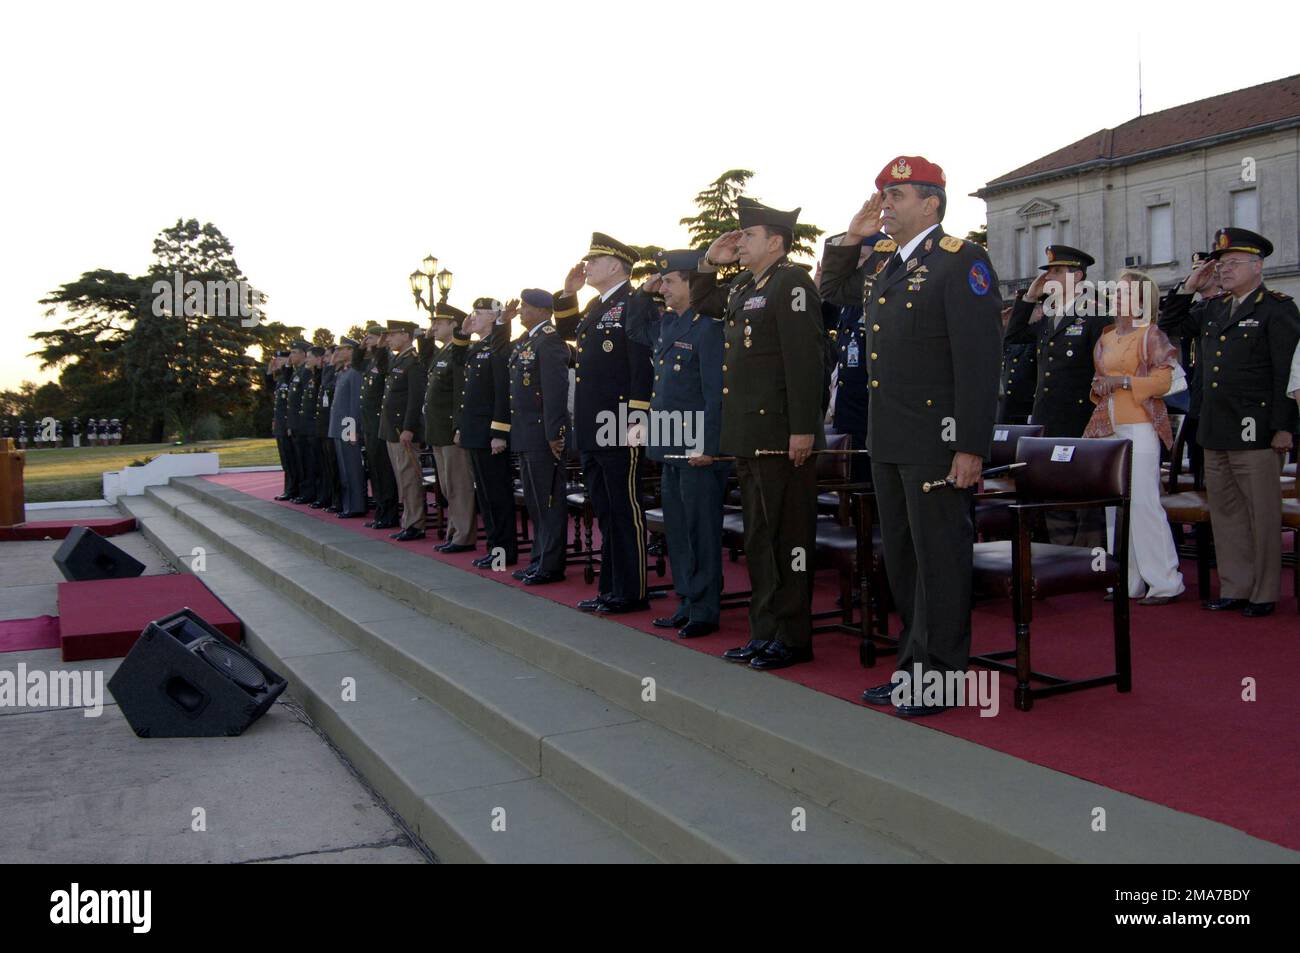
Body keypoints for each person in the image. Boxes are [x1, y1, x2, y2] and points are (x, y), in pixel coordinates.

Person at [820, 156, 1002, 715]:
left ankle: (942, 678)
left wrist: (970, 445)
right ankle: (913, 668)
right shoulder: (882, 263)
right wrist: (851, 237)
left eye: (897, 196)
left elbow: (979, 361)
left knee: (939, 560)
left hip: (938, 441)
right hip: (890, 438)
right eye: (883, 195)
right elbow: (833, 289)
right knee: (901, 558)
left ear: (931, 203)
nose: (886, 205)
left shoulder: (961, 261)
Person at [692, 198, 826, 670]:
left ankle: (791, 637)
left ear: (775, 241)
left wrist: (803, 428)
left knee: (787, 539)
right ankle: (764, 630)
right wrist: (710, 263)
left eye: (747, 235)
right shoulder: (745, 286)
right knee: (759, 540)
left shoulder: (791, 283)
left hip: (781, 435)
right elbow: (701, 301)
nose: (739, 241)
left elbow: (805, 360)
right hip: (749, 434)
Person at [1161, 227, 1300, 617]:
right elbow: (1170, 320)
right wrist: (1191, 284)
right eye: (1220, 264)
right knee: (1226, 513)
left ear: (1258, 266)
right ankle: (1236, 586)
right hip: (1215, 426)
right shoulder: (1214, 307)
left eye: (1232, 263)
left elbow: (1285, 373)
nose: (1223, 270)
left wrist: (1284, 427)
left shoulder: (1277, 308)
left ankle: (1264, 592)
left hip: (1256, 428)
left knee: (1261, 513)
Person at [553, 233, 654, 614]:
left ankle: (632, 591)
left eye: (594, 260)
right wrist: (568, 293)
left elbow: (642, 366)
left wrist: (638, 419)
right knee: (606, 508)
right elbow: (567, 333)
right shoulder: (598, 304)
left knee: (625, 508)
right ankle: (611, 587)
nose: (587, 265)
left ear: (616, 265)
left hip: (621, 421)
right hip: (594, 423)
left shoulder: (636, 303)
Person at [1082, 269, 1185, 604]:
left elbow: (1163, 381)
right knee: (1116, 507)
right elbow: (1099, 380)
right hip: (1109, 425)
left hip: (1140, 425)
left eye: (1126, 292)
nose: (1118, 297)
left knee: (1144, 504)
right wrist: (1101, 386)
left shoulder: (1151, 335)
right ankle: (1127, 580)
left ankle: (1166, 581)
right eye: (1117, 291)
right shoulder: (1106, 336)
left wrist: (1125, 383)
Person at [642, 249, 729, 638]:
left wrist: (709, 445)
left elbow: (716, 394)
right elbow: (633, 327)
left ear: (693, 285)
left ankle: (705, 608)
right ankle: (687, 599)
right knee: (677, 527)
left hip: (696, 446)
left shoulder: (708, 328)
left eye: (670, 281)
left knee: (700, 529)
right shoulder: (668, 326)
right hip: (669, 441)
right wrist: (644, 292)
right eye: (661, 282)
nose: (663, 287)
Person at [1002, 244, 1106, 546]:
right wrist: (1030, 296)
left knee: (1083, 492)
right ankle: (1061, 553)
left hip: (1079, 417)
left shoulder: (1096, 313)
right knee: (1054, 490)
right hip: (1048, 416)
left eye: (1058, 271)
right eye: (1048, 271)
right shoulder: (1050, 316)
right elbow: (1014, 335)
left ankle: (1088, 560)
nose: (1050, 276)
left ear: (1078, 275)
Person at [509, 290, 571, 584]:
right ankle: (538, 559)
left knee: (548, 501)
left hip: (543, 436)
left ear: (542, 310)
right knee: (535, 502)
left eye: (525, 307)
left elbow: (555, 393)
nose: (521, 310)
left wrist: (554, 434)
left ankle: (550, 564)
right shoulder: (527, 342)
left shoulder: (549, 342)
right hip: (526, 433)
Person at [458, 298, 518, 570]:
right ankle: (495, 548)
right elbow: (458, 364)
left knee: (497, 496)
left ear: (494, 317)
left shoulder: (498, 345)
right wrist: (462, 333)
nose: (474, 317)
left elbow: (501, 392)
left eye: (479, 313)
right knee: (485, 495)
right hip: (475, 431)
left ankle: (503, 553)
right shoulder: (478, 347)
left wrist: (499, 432)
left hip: (490, 432)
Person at [1159, 251, 1224, 484]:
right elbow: (1167, 326)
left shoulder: (1224, 306)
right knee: (1200, 473)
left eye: (1204, 270)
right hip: (1195, 399)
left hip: (1219, 401)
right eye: (1195, 270)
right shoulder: (1196, 308)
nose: (1198, 275)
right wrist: (1187, 288)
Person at [423, 302, 478, 553]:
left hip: (450, 430)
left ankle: (463, 536)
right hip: (437, 430)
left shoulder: (458, 353)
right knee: (447, 486)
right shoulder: (441, 353)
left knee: (458, 485)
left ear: (454, 325)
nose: (433, 327)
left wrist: (458, 426)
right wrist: (425, 339)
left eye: (438, 323)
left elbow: (460, 394)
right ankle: (454, 531)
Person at [381, 320, 428, 540]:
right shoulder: (398, 360)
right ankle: (408, 520)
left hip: (403, 430)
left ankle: (415, 524)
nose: (388, 339)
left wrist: (409, 428)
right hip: (392, 429)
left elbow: (415, 399)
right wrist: (380, 347)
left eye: (392, 335)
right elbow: (381, 370)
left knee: (409, 478)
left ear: (406, 336)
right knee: (402, 478)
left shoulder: (413, 362)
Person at [357, 325, 399, 529]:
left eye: (370, 338)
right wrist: (360, 347)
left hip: (380, 424)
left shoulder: (387, 359)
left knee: (384, 472)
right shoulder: (370, 361)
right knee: (375, 471)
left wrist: (380, 348)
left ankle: (389, 514)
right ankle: (381, 512)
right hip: (369, 425)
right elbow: (357, 363)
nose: (367, 341)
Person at [330, 337, 367, 518]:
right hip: (339, 426)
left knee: (351, 468)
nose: (338, 352)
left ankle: (356, 505)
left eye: (342, 349)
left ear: (351, 351)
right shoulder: (343, 372)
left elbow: (354, 404)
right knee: (344, 469)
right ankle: (348, 505)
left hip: (347, 427)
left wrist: (353, 430)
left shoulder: (354, 372)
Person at [287, 340, 317, 504]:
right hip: (298, 424)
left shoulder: (306, 373)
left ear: (303, 355)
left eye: (294, 352)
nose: (291, 356)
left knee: (308, 461)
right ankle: (303, 491)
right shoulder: (297, 372)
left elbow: (305, 400)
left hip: (305, 423)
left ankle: (309, 492)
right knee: (301, 461)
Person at [313, 345, 341, 511]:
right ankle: (332, 499)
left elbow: (328, 389)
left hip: (336, 427)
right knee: (327, 466)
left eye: (328, 356)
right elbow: (321, 387)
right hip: (326, 427)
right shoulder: (329, 373)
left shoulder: (338, 374)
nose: (325, 359)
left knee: (335, 466)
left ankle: (337, 500)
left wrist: (330, 367)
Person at [269, 351, 297, 500]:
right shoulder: (281, 379)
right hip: (280, 424)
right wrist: (270, 370)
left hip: (287, 424)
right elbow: (269, 388)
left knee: (291, 460)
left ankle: (292, 489)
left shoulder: (290, 376)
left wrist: (287, 365)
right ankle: (288, 488)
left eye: (280, 359)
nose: (277, 361)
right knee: (285, 460)